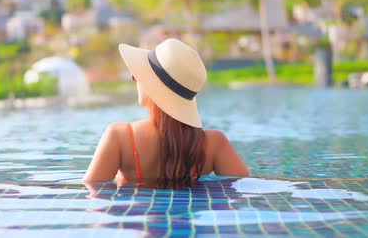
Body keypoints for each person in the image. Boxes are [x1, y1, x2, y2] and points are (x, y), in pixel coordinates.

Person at [83, 38, 249, 186]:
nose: (134, 79)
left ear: (152, 85)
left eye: (137, 75)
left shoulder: (120, 137)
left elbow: (93, 196)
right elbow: (244, 191)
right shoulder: (214, 144)